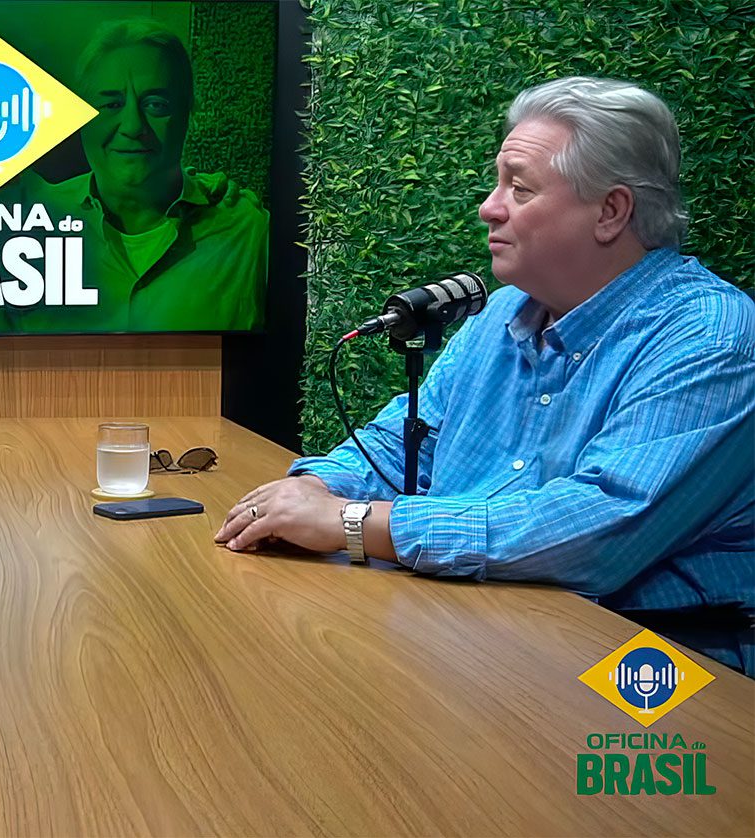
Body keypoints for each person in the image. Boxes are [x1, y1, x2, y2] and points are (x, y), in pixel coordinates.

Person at [217, 77, 754, 675]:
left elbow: (599, 529)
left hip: (653, 659)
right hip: (482, 623)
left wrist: (352, 523)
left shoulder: (711, 336)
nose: (489, 208)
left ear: (610, 212)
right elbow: (404, 441)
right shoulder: (502, 311)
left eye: (519, 189)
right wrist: (315, 489)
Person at [19, 19, 269, 333]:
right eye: (112, 103)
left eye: (156, 104)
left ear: (188, 114)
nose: (133, 126)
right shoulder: (28, 221)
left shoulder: (248, 233)